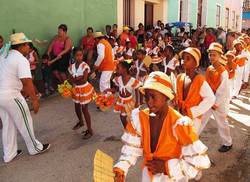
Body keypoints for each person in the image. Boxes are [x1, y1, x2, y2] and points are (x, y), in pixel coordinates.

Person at [113, 71, 211, 182]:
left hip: (172, 177)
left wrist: (166, 167)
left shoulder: (179, 124)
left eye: (153, 97)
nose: (149, 102)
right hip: (148, 174)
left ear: (166, 97)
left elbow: (199, 161)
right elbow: (132, 148)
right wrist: (121, 168)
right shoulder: (140, 118)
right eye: (146, 97)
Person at [0, 33, 50, 163]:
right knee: (25, 120)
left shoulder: (4, 56)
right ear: (21, 46)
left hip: (1, 95)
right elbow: (27, 81)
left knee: (8, 124)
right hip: (11, 95)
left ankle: (9, 154)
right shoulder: (20, 60)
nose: (28, 46)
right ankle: (34, 148)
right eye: (27, 44)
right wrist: (34, 100)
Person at [199, 43, 233, 152]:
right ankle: (193, 137)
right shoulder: (209, 68)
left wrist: (216, 103)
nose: (211, 57)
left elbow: (223, 90)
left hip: (219, 102)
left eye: (214, 55)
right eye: (210, 55)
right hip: (209, 100)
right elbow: (206, 85)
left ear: (219, 56)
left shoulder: (223, 72)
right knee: (202, 118)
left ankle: (227, 143)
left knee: (221, 122)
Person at [176, 47, 215, 132]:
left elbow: (210, 99)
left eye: (188, 59)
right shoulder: (179, 77)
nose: (184, 61)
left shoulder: (199, 80)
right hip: (179, 114)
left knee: (190, 141)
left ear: (195, 63)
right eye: (183, 58)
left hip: (193, 119)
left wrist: (192, 112)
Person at [68, 47, 95, 139]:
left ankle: (90, 130)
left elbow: (84, 80)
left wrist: (76, 80)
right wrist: (76, 79)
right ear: (74, 56)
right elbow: (70, 79)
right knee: (76, 106)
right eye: (77, 55)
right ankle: (81, 121)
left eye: (81, 55)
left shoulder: (85, 66)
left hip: (84, 89)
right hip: (76, 89)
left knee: (84, 109)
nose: (79, 57)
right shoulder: (71, 67)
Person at [105, 61, 141, 128]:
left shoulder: (132, 80)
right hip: (121, 101)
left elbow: (137, 89)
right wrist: (109, 90)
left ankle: (133, 129)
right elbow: (117, 89)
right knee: (122, 117)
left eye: (118, 68)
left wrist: (137, 102)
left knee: (131, 117)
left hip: (129, 101)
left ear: (124, 69)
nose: (116, 70)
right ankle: (126, 128)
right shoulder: (118, 79)